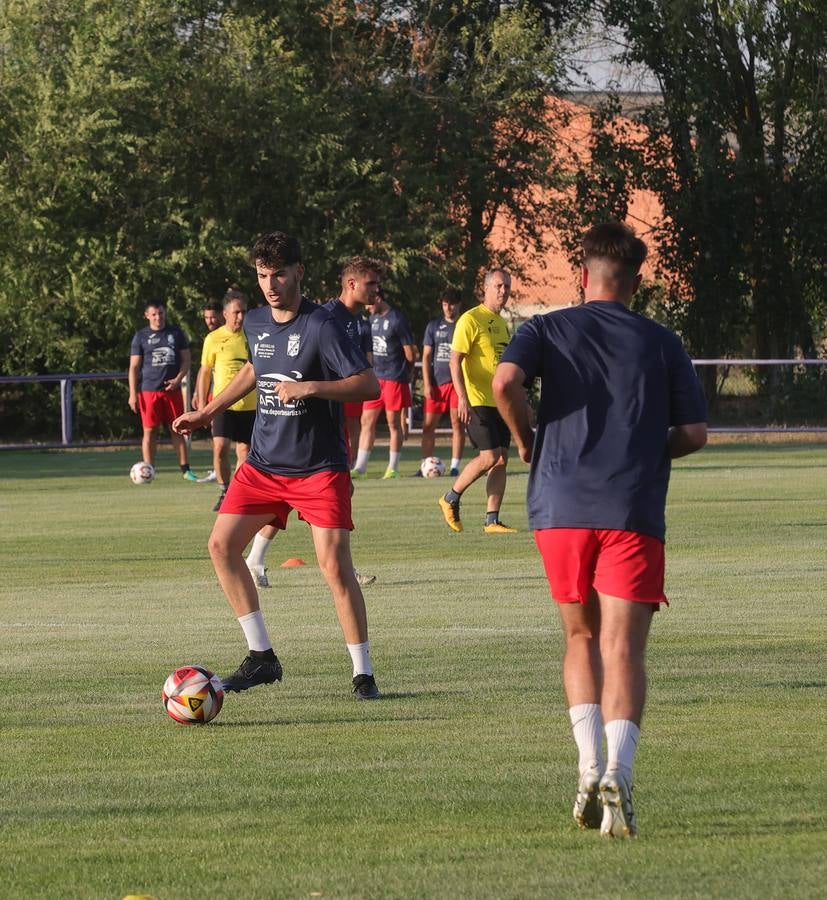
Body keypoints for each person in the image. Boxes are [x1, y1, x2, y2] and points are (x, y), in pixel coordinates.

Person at [492, 222, 707, 837]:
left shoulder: (545, 327)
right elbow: (693, 434)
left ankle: (587, 765)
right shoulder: (662, 341)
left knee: (580, 638)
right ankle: (619, 768)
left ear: (581, 276)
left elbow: (504, 383)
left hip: (559, 506)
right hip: (631, 506)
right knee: (624, 647)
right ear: (635, 281)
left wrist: (526, 436)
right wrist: (646, 446)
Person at [173, 231, 383, 700]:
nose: (271, 284)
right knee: (221, 546)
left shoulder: (324, 325)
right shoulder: (255, 323)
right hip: (265, 464)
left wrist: (312, 387)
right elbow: (255, 369)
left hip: (318, 467)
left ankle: (363, 673)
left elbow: (368, 385)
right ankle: (261, 657)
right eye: (263, 275)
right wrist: (208, 411)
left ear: (299, 273)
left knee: (334, 566)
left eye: (279, 274)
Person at [437, 269, 515, 533]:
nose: (503, 291)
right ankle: (450, 497)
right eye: (498, 286)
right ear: (486, 288)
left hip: (500, 403)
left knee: (502, 459)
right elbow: (454, 360)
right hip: (478, 400)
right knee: (490, 455)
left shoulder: (502, 324)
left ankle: (492, 520)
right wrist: (462, 397)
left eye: (506, 286)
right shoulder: (471, 319)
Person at [195, 290, 256, 512]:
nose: (240, 317)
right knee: (220, 448)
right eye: (236, 312)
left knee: (245, 452)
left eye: (244, 312)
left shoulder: (253, 336)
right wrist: (203, 406)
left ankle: (236, 493)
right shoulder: (213, 338)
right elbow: (205, 372)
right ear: (225, 313)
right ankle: (224, 489)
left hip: (250, 405)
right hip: (223, 405)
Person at [128, 301, 198, 480]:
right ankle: (148, 470)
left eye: (160, 313)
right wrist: (132, 394)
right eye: (154, 314)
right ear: (147, 315)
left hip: (172, 391)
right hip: (149, 391)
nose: (158, 317)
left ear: (164, 314)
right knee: (150, 432)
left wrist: (178, 379)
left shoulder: (175, 333)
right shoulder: (141, 336)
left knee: (177, 429)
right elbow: (134, 367)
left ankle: (185, 470)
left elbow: (186, 361)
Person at [350, 287, 416, 479]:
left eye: (370, 302)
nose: (367, 307)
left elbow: (409, 354)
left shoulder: (397, 319)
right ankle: (360, 467)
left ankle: (393, 468)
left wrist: (407, 373)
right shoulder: (372, 320)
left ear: (378, 299)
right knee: (366, 421)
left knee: (393, 423)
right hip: (376, 379)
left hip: (395, 378)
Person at [323, 257, 380, 463]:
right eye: (370, 283)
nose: (376, 289)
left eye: (377, 284)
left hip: (338, 408)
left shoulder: (357, 319)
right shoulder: (326, 317)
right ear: (351, 284)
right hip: (320, 413)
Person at [418, 288, 465, 477]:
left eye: (452, 304)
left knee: (457, 424)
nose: (448, 308)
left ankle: (454, 467)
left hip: (456, 383)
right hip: (437, 384)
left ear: (459, 304)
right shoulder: (433, 326)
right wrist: (427, 383)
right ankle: (425, 466)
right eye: (445, 304)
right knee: (428, 426)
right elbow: (426, 356)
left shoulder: (464, 325)